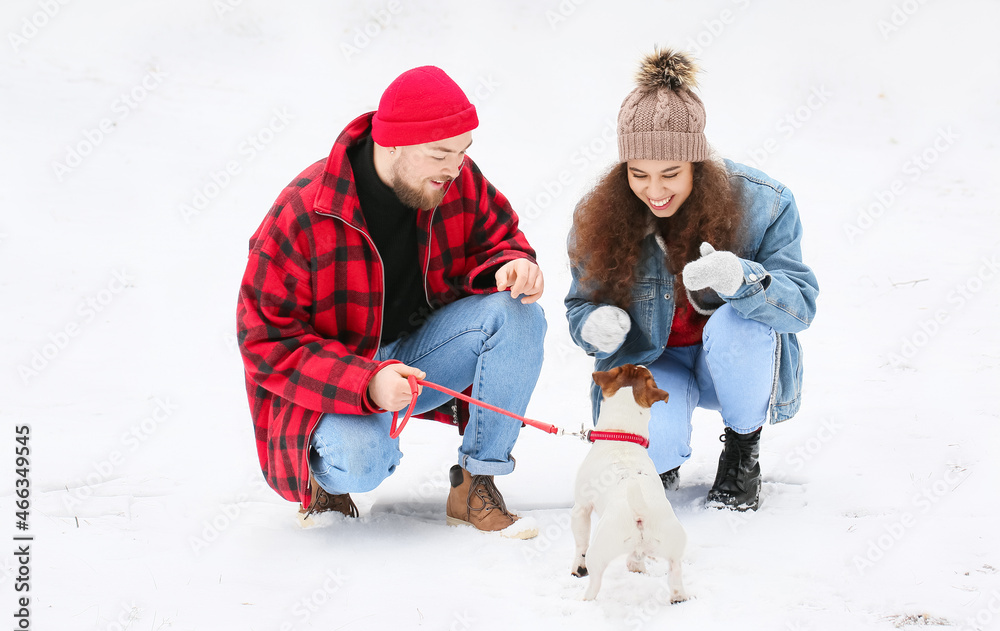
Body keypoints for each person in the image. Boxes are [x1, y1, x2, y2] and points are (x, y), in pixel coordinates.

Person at [238, 65, 546, 538]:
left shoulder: (452, 180)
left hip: (419, 356)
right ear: (393, 144)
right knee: (363, 461)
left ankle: (475, 484)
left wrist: (512, 264)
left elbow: (500, 237)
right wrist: (366, 381)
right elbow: (266, 342)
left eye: (463, 153)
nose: (455, 168)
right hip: (335, 379)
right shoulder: (302, 212)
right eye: (441, 154)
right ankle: (328, 481)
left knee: (518, 314)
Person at [565, 48, 819, 511]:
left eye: (670, 174)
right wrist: (592, 324)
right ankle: (660, 459)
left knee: (737, 323)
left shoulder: (765, 202)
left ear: (696, 165)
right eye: (638, 174)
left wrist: (742, 279)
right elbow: (579, 305)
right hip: (654, 361)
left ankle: (742, 451)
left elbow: (800, 306)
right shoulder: (597, 216)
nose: (655, 190)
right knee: (651, 445)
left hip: (734, 362)